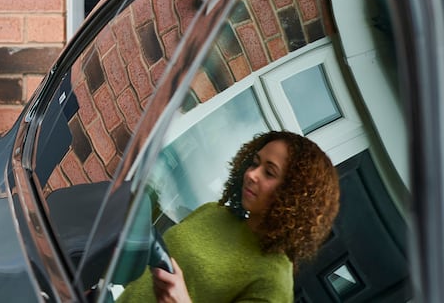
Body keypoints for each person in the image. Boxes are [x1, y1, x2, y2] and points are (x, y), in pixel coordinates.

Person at [121, 130, 340, 303]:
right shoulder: (213, 213)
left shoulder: (273, 280)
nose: (252, 174)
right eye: (255, 163)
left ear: (294, 195)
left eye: (269, 172)